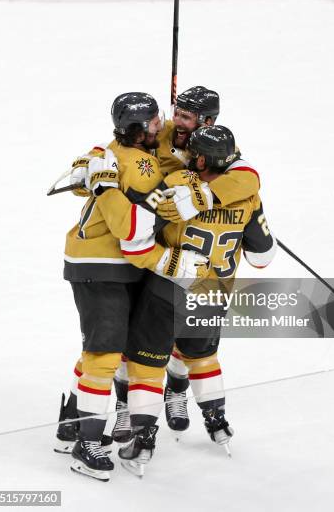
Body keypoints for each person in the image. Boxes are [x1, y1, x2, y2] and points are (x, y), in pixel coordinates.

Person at [92, 125, 277, 475]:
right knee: (202, 355)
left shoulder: (177, 183)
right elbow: (263, 257)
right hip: (214, 293)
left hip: (168, 289)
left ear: (201, 158)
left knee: (145, 364)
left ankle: (142, 439)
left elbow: (135, 235)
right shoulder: (247, 195)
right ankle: (217, 422)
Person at [59, 92, 210, 482]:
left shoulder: (128, 151)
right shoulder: (131, 160)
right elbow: (133, 233)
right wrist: (175, 259)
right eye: (155, 122)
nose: (163, 126)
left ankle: (71, 423)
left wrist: (188, 176)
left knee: (105, 349)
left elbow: (143, 159)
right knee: (106, 351)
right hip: (101, 263)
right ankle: (86, 443)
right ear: (138, 129)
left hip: (119, 267)